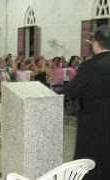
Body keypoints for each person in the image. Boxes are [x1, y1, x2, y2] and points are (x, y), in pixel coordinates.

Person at [65, 25, 110, 179]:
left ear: (95, 45)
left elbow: (72, 91)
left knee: (92, 164)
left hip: (93, 125)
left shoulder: (89, 66)